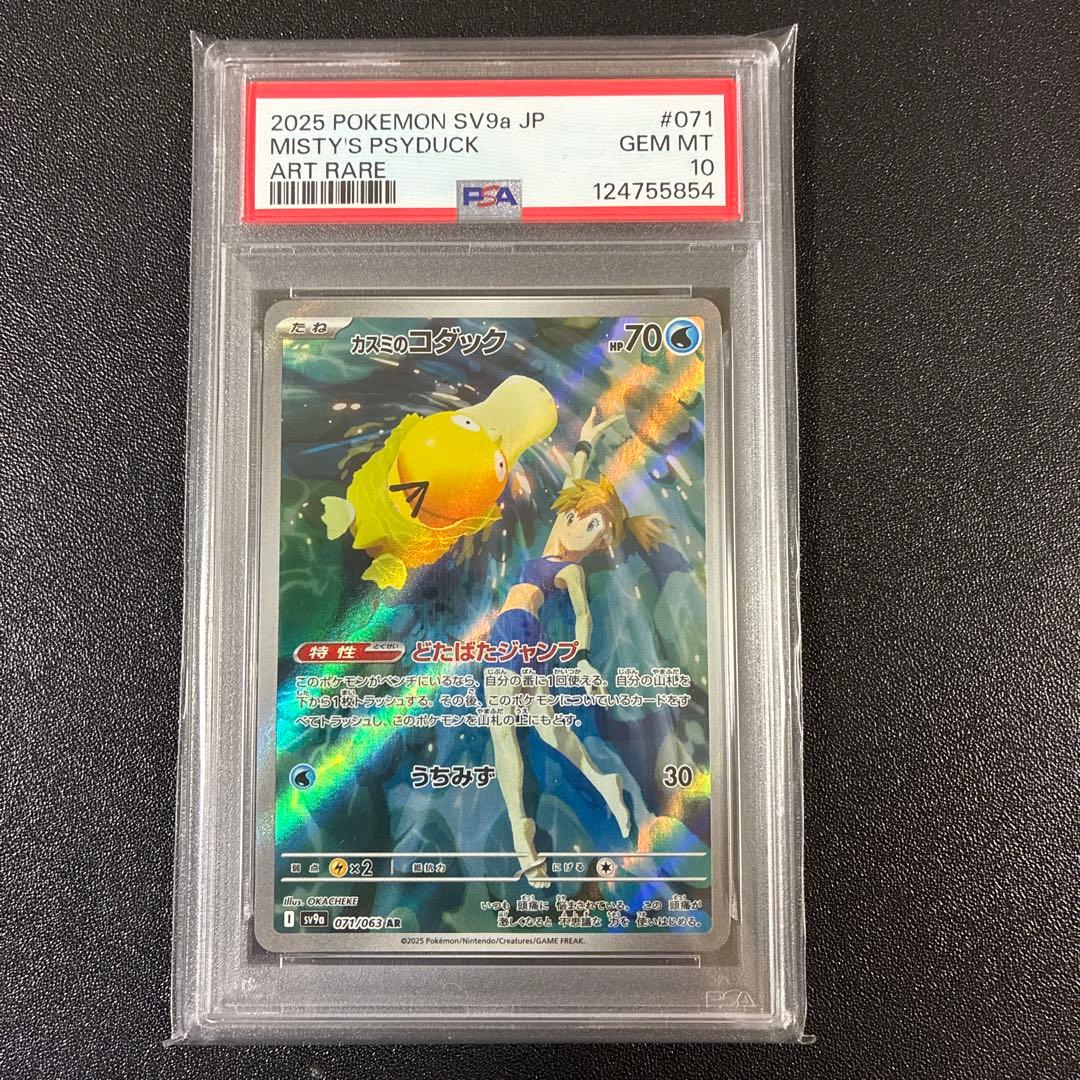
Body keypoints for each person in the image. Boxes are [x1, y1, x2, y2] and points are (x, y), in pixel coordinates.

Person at [485, 407, 668, 885]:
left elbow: (584, 617)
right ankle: (604, 784)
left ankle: (521, 832)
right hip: (517, 637)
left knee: (504, 733)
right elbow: (574, 482)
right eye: (576, 516)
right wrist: (586, 439)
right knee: (546, 732)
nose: (576, 524)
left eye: (592, 527)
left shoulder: (571, 570)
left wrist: (583, 659)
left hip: (517, 632)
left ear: (601, 542)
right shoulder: (553, 547)